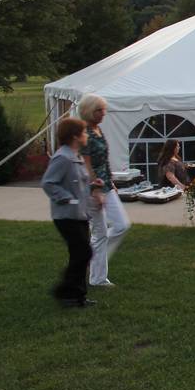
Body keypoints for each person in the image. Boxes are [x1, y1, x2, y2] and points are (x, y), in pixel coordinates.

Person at [42, 117, 97, 308]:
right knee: (83, 252)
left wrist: (91, 185)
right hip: (65, 215)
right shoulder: (63, 157)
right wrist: (65, 197)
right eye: (83, 133)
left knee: (81, 254)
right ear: (75, 136)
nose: (86, 136)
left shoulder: (76, 156)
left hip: (79, 213)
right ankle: (65, 291)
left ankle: (76, 297)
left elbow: (76, 183)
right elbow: (48, 182)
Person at [78, 93, 131, 288]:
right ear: (88, 111)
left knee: (122, 225)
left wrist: (111, 182)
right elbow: (87, 165)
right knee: (100, 232)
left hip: (107, 185)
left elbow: (104, 160)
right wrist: (96, 190)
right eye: (98, 110)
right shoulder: (84, 133)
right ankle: (98, 278)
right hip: (93, 189)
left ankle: (91, 257)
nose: (103, 113)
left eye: (103, 109)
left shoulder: (97, 129)